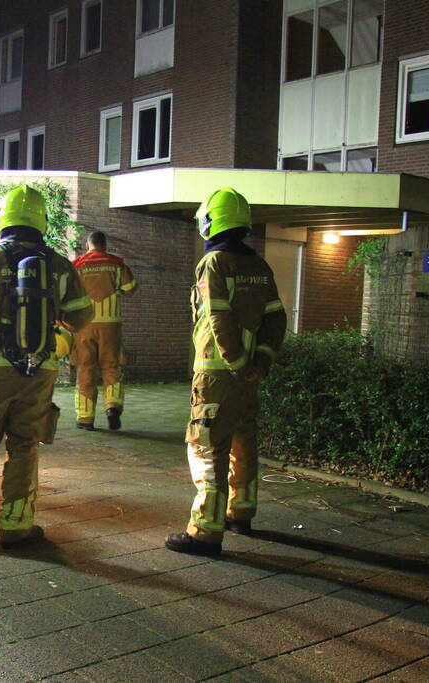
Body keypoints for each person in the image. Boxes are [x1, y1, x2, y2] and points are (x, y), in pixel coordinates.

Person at [0, 185, 93, 548]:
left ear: (3, 217)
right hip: (40, 367)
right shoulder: (59, 264)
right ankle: (16, 525)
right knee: (25, 444)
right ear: (40, 219)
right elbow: (83, 316)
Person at [166, 187, 286, 556]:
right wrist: (258, 364)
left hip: (217, 375)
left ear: (210, 221)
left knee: (207, 447)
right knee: (243, 442)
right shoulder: (259, 266)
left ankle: (204, 531)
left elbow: (217, 316)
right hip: (248, 376)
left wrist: (234, 364)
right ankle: (241, 513)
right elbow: (276, 317)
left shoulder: (213, 264)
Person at [71, 230, 138, 430]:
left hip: (84, 324)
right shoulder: (117, 264)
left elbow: (69, 293)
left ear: (87, 245)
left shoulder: (78, 265)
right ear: (104, 245)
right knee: (111, 367)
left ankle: (85, 419)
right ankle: (112, 408)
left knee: (85, 369)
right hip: (111, 324)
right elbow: (130, 288)